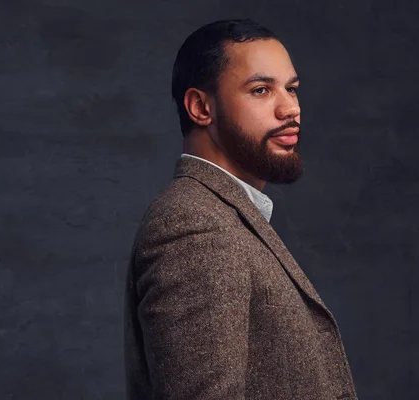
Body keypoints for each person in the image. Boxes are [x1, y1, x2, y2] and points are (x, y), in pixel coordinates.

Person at [124, 19, 358, 399]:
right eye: (261, 90)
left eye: (292, 89)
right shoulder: (194, 226)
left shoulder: (224, 216)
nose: (290, 110)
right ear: (201, 107)